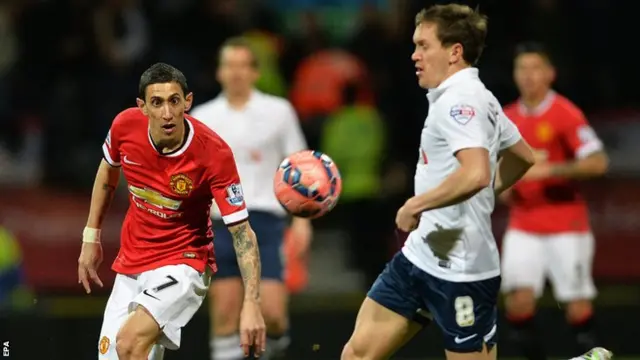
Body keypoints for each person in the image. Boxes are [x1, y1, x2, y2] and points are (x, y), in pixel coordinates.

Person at [340, 4, 613, 360]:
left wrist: (415, 204)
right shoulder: (475, 96)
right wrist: (482, 193)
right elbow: (522, 156)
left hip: (462, 271)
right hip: (419, 256)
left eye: (423, 45)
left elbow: (476, 173)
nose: (414, 55)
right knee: (356, 355)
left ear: (454, 52)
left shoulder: (460, 103)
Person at [77, 63, 266, 360]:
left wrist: (252, 303)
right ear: (142, 107)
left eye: (174, 101)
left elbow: (243, 233)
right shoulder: (124, 127)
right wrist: (91, 235)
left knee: (129, 341)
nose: (167, 113)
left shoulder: (214, 154)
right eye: (157, 102)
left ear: (187, 102)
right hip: (133, 261)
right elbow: (107, 171)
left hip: (184, 262)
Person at [189, 37, 312, 360]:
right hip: (219, 223)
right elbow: (193, 178)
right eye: (229, 65)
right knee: (226, 314)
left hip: (265, 221)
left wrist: (301, 221)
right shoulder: (203, 117)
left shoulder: (278, 111)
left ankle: (275, 351)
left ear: (255, 72)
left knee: (272, 313)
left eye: (243, 65)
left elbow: (300, 167)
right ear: (219, 72)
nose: (236, 73)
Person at [500, 42, 609, 360]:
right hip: (523, 223)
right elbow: (499, 171)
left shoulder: (566, 113)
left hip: (566, 224)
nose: (528, 75)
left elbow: (598, 162)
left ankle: (595, 356)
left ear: (550, 74)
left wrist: (549, 170)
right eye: (522, 68)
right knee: (518, 302)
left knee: (576, 307)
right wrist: (504, 186)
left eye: (535, 68)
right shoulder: (506, 118)